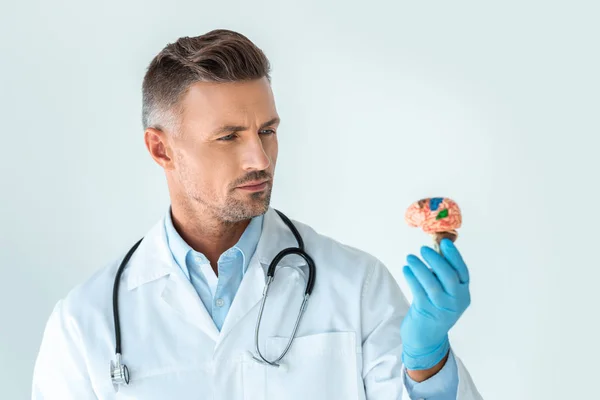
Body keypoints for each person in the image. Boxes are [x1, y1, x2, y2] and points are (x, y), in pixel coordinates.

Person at [32, 29, 482, 399]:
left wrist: (429, 365)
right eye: (229, 137)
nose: (260, 159)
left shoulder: (357, 287)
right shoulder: (84, 324)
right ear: (161, 148)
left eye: (267, 131)